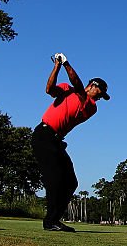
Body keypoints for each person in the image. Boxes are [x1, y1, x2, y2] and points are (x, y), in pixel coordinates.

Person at [32, 52, 110, 232]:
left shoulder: (91, 106)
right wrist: (57, 66)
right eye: (100, 92)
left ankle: (54, 219)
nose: (100, 97)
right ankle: (50, 221)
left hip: (56, 141)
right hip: (43, 135)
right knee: (54, 179)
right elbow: (49, 89)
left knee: (70, 182)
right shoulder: (67, 89)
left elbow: (78, 86)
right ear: (93, 85)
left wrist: (67, 63)